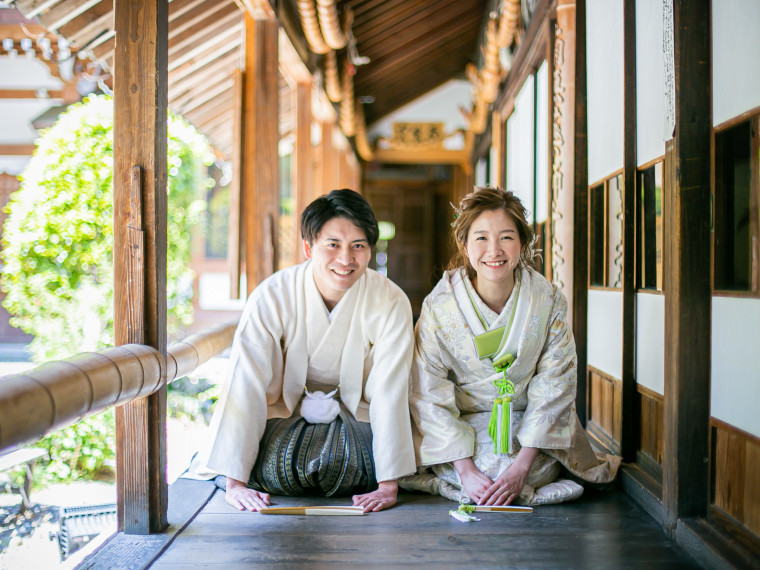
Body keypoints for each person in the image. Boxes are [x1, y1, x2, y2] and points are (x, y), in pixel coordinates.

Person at [188, 189, 416, 513]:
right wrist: (235, 482)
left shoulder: (390, 301)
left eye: (358, 246)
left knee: (345, 462)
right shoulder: (272, 295)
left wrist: (388, 484)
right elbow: (246, 379)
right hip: (283, 413)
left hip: (356, 417)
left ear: (370, 251)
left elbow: (391, 388)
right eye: (332, 245)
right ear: (308, 247)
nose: (346, 259)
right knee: (283, 462)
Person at [401, 186, 620, 506]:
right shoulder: (440, 307)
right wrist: (465, 470)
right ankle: (489, 481)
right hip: (465, 422)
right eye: (481, 238)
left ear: (522, 243)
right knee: (486, 469)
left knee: (517, 470)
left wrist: (521, 466)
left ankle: (519, 479)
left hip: (529, 423)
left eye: (506, 237)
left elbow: (555, 384)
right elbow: (427, 389)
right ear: (463, 244)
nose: (494, 250)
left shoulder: (547, 301)